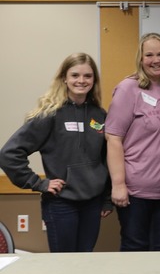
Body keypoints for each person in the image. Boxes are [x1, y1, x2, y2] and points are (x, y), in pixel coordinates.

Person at [0, 53, 111, 252]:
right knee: (64, 266)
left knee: (85, 260)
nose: (81, 81)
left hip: (92, 204)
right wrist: (38, 183)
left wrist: (107, 199)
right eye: (75, 75)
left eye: (87, 76)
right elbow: (9, 154)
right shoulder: (50, 114)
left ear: (94, 80)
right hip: (61, 204)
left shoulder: (100, 115)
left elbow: (106, 159)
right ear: (64, 78)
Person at [106, 32, 160, 251]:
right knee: (135, 248)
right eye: (149, 55)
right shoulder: (128, 89)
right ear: (140, 59)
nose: (155, 60)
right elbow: (113, 138)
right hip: (135, 192)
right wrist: (118, 184)